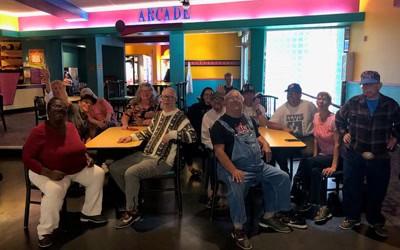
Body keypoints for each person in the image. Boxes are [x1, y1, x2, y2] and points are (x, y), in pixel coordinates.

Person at [210, 90, 293, 250]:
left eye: (239, 99)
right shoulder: (219, 125)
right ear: (226, 103)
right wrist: (233, 170)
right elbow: (219, 151)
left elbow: (257, 136)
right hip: (233, 168)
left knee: (281, 177)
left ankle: (269, 215)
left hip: (257, 166)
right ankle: (238, 228)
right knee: (235, 187)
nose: (236, 101)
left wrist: (266, 144)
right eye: (232, 99)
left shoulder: (248, 119)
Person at [22, 97, 107, 248]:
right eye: (54, 108)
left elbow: (79, 148)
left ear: (66, 111)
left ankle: (89, 213)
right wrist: (48, 172)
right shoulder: (39, 132)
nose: (59, 110)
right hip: (44, 172)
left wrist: (86, 157)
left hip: (74, 169)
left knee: (98, 174)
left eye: (61, 108)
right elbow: (27, 157)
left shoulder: (70, 127)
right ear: (48, 111)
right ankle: (44, 232)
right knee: (54, 190)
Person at [110, 88, 196, 229]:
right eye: (164, 97)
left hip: (161, 160)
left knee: (131, 173)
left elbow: (193, 137)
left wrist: (173, 134)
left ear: (175, 100)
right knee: (115, 168)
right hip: (145, 154)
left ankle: (132, 211)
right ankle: (135, 198)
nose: (167, 100)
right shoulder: (159, 115)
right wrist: (130, 137)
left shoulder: (181, 117)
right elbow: (148, 132)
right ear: (160, 99)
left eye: (170, 97)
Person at [335, 70, 400, 238]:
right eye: (364, 84)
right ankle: (352, 217)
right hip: (355, 152)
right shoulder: (353, 102)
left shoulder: (390, 105)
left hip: (379, 154)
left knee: (377, 189)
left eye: (371, 84)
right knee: (351, 186)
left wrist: (395, 137)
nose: (367, 88)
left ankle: (375, 220)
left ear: (379, 85)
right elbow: (339, 118)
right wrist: (344, 132)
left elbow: (399, 124)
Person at [292, 92, 342, 223]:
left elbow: (338, 144)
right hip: (322, 156)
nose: (321, 101)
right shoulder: (315, 117)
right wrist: (315, 158)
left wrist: (334, 166)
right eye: (319, 98)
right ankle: (319, 205)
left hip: (336, 158)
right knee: (314, 171)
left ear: (329, 102)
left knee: (305, 161)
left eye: (324, 99)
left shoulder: (333, 119)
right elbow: (315, 140)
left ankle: (299, 191)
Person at [269, 83, 318, 174]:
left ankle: (299, 176)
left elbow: (319, 118)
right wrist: (283, 127)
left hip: (307, 138)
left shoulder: (308, 105)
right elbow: (270, 124)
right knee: (278, 151)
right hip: (290, 139)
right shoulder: (282, 108)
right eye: (289, 93)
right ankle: (285, 172)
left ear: (300, 94)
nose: (290, 95)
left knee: (309, 153)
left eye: (293, 93)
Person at [201, 91, 226, 207]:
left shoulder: (229, 113)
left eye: (220, 99)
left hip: (230, 146)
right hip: (214, 147)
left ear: (224, 101)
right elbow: (205, 138)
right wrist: (218, 149)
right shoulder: (207, 116)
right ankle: (214, 192)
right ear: (211, 102)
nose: (217, 101)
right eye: (214, 99)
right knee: (212, 158)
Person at [186, 87, 214, 176]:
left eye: (211, 95)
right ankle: (190, 167)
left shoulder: (216, 108)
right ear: (202, 96)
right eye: (206, 94)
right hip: (197, 133)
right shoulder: (195, 107)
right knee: (187, 141)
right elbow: (189, 121)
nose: (208, 96)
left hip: (213, 135)